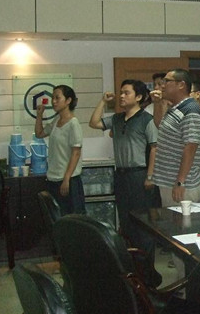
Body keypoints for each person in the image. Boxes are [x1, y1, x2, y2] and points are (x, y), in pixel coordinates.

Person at [88, 79, 160, 286]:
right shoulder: (117, 118)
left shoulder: (146, 120)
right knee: (126, 224)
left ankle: (148, 275)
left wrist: (150, 176)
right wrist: (103, 101)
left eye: (126, 93)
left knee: (142, 225)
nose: (121, 96)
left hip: (139, 175)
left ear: (139, 97)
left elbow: (154, 148)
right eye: (121, 92)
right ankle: (132, 272)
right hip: (121, 175)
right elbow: (94, 123)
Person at [151, 69, 200, 206]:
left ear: (181, 85)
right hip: (169, 181)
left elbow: (191, 146)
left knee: (183, 220)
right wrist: (157, 103)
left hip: (183, 185)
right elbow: (160, 124)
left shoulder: (191, 110)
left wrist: (180, 181)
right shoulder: (176, 107)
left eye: (167, 81)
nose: (162, 85)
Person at [35, 85, 85, 216]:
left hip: (68, 180)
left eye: (57, 98)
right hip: (53, 178)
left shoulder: (73, 123)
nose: (53, 101)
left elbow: (76, 153)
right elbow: (39, 133)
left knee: (72, 219)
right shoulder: (57, 120)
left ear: (68, 100)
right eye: (53, 98)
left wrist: (66, 179)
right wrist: (39, 115)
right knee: (56, 218)